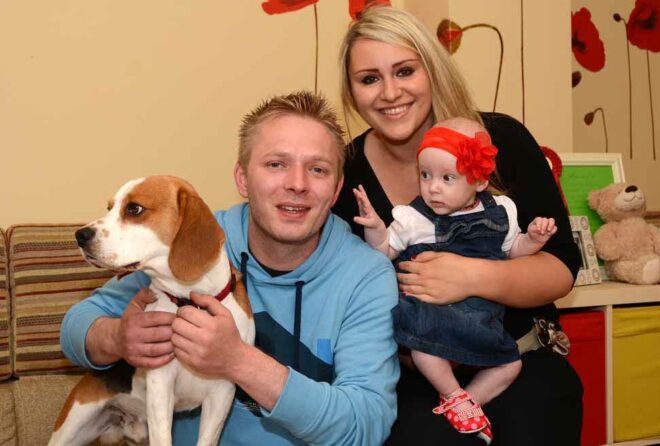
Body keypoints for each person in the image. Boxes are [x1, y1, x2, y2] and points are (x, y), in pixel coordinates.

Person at [60, 91, 400, 445]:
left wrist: (239, 361)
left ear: (335, 190)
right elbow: (75, 327)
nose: (297, 184)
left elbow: (365, 426)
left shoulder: (366, 275)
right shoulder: (194, 240)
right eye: (276, 164)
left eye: (317, 169)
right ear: (242, 179)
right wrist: (116, 337)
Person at [332, 6, 583, 445]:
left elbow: (561, 268)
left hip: (518, 364)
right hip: (411, 379)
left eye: (405, 71)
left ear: (431, 70)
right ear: (352, 92)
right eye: (369, 78)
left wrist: (468, 276)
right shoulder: (343, 175)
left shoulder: (500, 139)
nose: (390, 92)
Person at [353, 117, 558, 444]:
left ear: (478, 181)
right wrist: (375, 226)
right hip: (435, 320)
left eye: (447, 177)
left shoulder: (502, 211)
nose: (433, 187)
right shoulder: (415, 217)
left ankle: (468, 401)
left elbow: (514, 253)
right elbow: (382, 251)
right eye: (425, 175)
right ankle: (451, 393)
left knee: (511, 366)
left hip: (483, 324)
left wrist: (533, 240)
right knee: (424, 352)